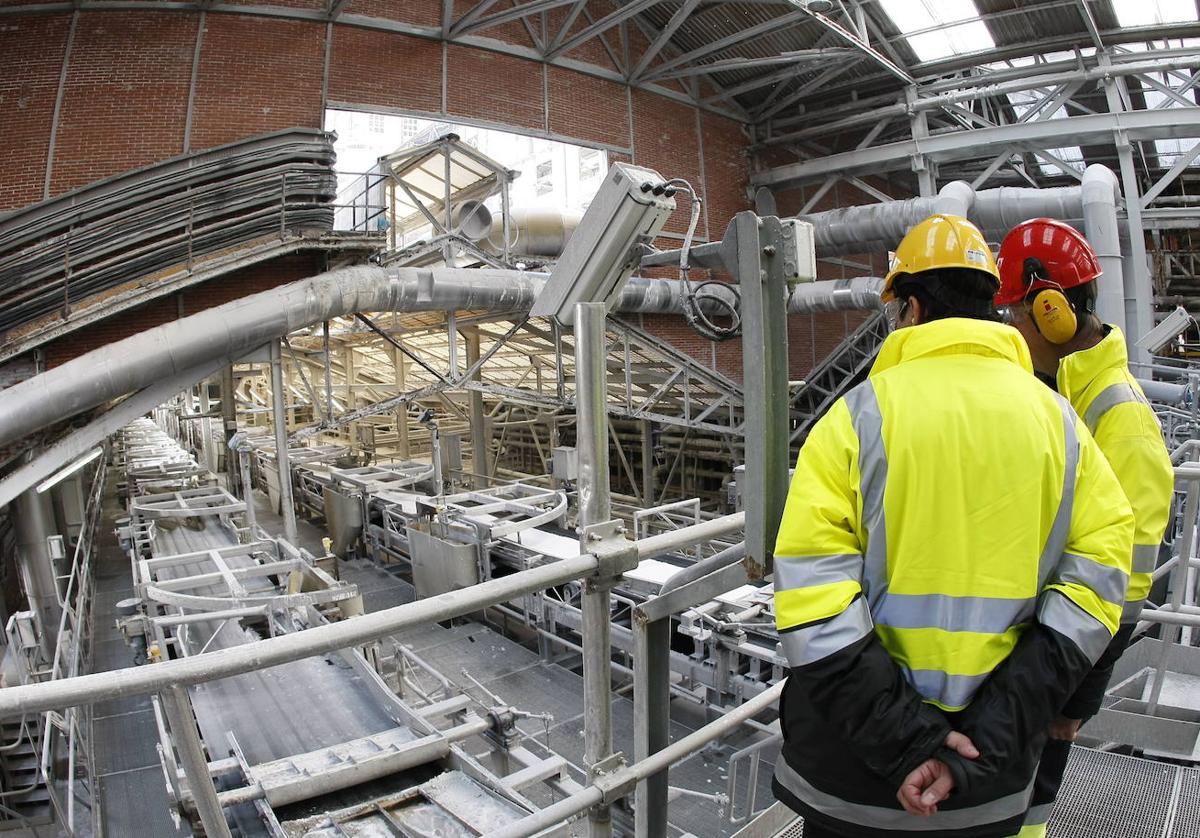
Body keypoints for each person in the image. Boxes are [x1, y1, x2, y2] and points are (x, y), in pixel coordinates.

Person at [771, 214, 1135, 838]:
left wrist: (906, 743)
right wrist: (992, 730)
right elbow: (1100, 585)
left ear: (909, 308)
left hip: (857, 776)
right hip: (985, 772)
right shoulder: (1062, 425)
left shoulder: (854, 420)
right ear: (990, 305)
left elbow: (812, 601)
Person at [994, 218, 1175, 838]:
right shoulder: (1060, 392)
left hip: (1060, 662)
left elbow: (1129, 575)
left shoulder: (1117, 415)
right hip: (1034, 649)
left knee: (1026, 812)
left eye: (1015, 313)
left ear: (1051, 310)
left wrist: (1077, 699)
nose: (1011, 328)